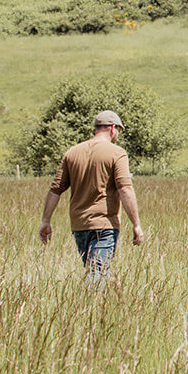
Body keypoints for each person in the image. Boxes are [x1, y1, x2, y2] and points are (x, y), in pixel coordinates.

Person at [40, 110, 144, 279]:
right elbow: (125, 189)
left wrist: (46, 221)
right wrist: (136, 224)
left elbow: (55, 189)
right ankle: (89, 304)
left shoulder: (72, 153)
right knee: (98, 274)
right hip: (104, 225)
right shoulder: (117, 153)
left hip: (79, 226)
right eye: (118, 131)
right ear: (112, 129)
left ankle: (105, 302)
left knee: (94, 270)